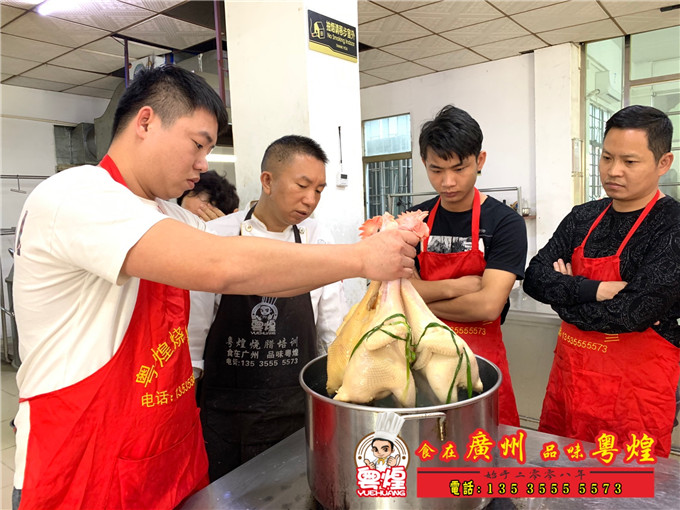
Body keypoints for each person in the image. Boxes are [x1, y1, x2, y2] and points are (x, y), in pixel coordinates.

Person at [10, 65, 418, 510]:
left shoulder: (172, 215)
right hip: (87, 462)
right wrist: (362, 258)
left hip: (167, 453)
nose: (204, 163)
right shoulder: (76, 195)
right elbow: (223, 265)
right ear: (145, 122)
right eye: (198, 143)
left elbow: (266, 268)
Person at [523, 105, 680, 457]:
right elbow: (534, 277)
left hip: (634, 397)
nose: (613, 170)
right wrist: (592, 289)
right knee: (564, 478)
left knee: (627, 489)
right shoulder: (583, 217)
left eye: (629, 161)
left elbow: (630, 314)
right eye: (606, 157)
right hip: (571, 382)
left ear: (663, 163)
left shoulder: (671, 225)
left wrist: (563, 300)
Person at [188, 134, 347, 480]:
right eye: (303, 185)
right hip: (227, 411)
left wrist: (336, 391)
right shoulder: (217, 235)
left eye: (319, 190)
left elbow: (330, 327)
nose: (310, 200)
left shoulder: (317, 238)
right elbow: (195, 330)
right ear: (268, 181)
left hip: (295, 406)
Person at [406, 105, 527, 426]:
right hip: (420, 357)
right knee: (425, 451)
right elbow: (400, 294)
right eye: (436, 170)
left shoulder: (506, 223)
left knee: (484, 452)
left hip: (480, 359)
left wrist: (423, 296)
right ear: (424, 164)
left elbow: (488, 305)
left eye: (459, 168)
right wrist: (458, 286)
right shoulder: (413, 220)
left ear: (480, 160)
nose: (447, 181)